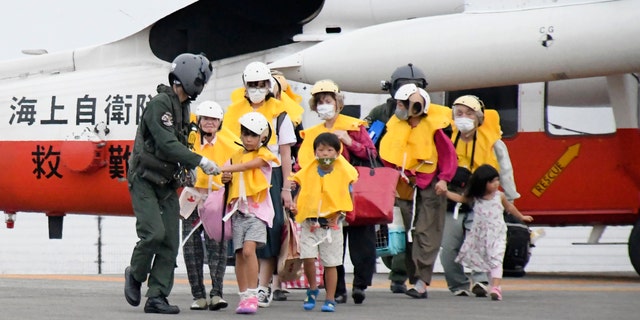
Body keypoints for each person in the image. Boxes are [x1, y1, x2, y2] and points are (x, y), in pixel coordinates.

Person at [124, 53, 219, 314]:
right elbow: (167, 143)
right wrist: (200, 161)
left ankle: (156, 297)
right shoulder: (160, 104)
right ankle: (135, 273)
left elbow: (182, 142)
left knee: (170, 243)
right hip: (144, 180)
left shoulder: (183, 107)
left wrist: (189, 169)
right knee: (154, 234)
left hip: (166, 183)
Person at [222, 61, 297, 308]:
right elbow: (227, 145)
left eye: (261, 84)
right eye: (252, 85)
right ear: (245, 86)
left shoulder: (281, 112)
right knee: (241, 237)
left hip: (270, 171)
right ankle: (249, 289)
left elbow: (285, 153)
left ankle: (263, 286)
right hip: (238, 173)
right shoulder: (234, 111)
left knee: (273, 227)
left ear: (269, 85)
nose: (256, 89)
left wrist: (287, 188)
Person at [297, 79, 378, 304]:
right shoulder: (311, 133)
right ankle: (338, 289)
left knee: (362, 242)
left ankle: (360, 284)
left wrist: (350, 142)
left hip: (355, 192)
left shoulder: (354, 126)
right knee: (331, 244)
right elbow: (301, 165)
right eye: (319, 101)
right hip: (322, 198)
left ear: (338, 102)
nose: (324, 105)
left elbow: (371, 154)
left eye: (328, 100)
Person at [378, 83, 457, 299]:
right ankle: (403, 275)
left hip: (430, 183)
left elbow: (449, 156)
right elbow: (387, 155)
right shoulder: (394, 126)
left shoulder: (434, 128)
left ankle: (421, 282)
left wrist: (444, 179)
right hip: (402, 182)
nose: (398, 108)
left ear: (416, 106)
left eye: (402, 104)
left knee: (426, 231)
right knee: (396, 232)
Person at [439, 95, 521, 297]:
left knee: (482, 241)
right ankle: (457, 285)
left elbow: (505, 169)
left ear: (479, 117)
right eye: (459, 113)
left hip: (482, 200)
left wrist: (509, 198)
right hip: (454, 199)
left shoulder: (493, 142)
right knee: (449, 247)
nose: (464, 117)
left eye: (469, 113)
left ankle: (480, 281)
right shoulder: (446, 138)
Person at [363, 63, 429, 294]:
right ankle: (398, 271)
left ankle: (400, 276)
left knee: (409, 230)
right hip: (384, 181)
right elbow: (368, 142)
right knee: (389, 232)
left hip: (414, 182)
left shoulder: (426, 115)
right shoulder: (381, 113)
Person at [181, 101, 241, 311]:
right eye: (206, 119)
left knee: (218, 245)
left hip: (217, 199)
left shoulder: (231, 144)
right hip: (192, 197)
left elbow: (236, 173)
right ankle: (198, 295)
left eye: (214, 120)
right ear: (198, 120)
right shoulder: (189, 142)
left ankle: (217, 293)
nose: (209, 123)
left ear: (220, 122)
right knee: (190, 246)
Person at [291, 132, 359, 312]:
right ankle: (312, 288)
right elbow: (301, 192)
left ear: (337, 153)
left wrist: (341, 215)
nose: (325, 154)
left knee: (331, 263)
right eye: (321, 150)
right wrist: (295, 205)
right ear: (315, 152)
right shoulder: (308, 171)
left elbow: (348, 196)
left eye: (330, 150)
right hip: (310, 223)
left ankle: (330, 298)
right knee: (307, 256)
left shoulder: (344, 172)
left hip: (332, 224)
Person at [220, 112, 279, 314]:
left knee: (248, 250)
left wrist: (224, 168)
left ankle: (253, 293)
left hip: (257, 213)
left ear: (263, 137)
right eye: (245, 134)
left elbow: (247, 166)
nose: (248, 139)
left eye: (253, 135)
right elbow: (229, 176)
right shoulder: (235, 155)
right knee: (238, 254)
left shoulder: (265, 155)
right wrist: (225, 177)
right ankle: (243, 295)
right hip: (238, 211)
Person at [445, 164, 533, 301]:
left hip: (497, 233)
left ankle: (496, 288)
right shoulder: (476, 197)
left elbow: (509, 207)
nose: (496, 184)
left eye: (497, 180)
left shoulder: (500, 196)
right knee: (484, 258)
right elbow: (461, 199)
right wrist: (446, 193)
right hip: (481, 234)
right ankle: (487, 282)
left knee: (496, 259)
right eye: (492, 181)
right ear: (482, 183)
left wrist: (521, 217)